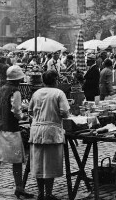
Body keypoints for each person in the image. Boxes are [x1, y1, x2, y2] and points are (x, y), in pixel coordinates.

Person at [29, 70, 70, 200]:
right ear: (55, 80)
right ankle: (48, 194)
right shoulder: (59, 93)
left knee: (39, 164)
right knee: (50, 163)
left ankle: (41, 193)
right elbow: (65, 112)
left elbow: (30, 110)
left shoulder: (36, 93)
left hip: (37, 130)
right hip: (52, 131)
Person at [0, 65, 34, 198]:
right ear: (19, 79)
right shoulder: (15, 91)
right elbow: (16, 111)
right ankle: (19, 188)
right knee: (17, 160)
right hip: (11, 129)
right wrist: (24, 116)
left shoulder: (1, 89)